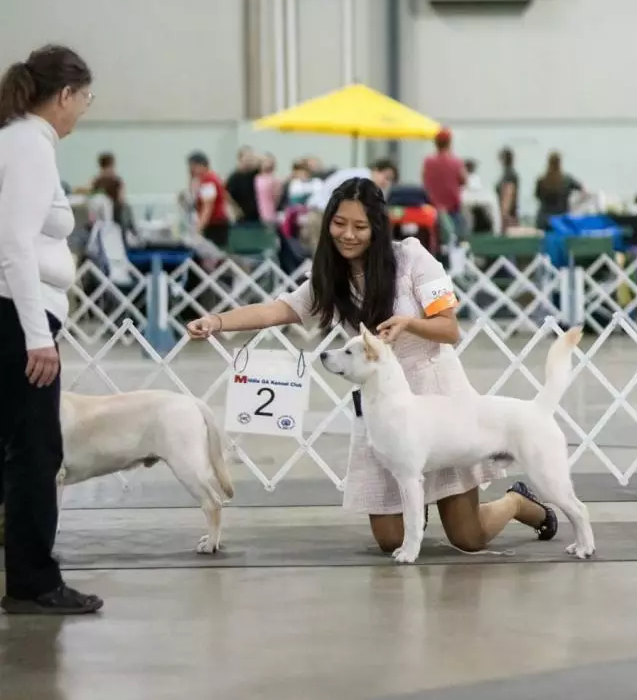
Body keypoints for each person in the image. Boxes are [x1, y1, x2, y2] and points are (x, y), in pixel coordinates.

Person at [187, 177, 556, 555]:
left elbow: (450, 330)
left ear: (377, 227)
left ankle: (516, 501)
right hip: (382, 411)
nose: (348, 234)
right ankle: (416, 511)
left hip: (438, 400)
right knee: (390, 540)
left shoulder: (412, 258)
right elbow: (279, 309)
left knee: (469, 537)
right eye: (339, 223)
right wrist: (217, 321)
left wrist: (409, 323)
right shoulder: (330, 277)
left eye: (360, 226)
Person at [0, 45, 103, 614]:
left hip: (14, 313)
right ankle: (34, 580)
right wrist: (37, 335)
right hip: (19, 319)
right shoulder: (30, 146)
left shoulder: (15, 139)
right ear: (64, 94)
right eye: (84, 99)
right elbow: (12, 244)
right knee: (36, 451)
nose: (83, 111)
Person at [305, 160, 397, 254]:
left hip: (324, 211)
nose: (387, 182)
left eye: (390, 180)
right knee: (323, 253)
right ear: (376, 170)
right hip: (320, 212)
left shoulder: (370, 184)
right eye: (386, 177)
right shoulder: (362, 180)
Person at [422, 128, 468, 238]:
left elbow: (424, 181)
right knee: (458, 240)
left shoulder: (428, 162)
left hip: (433, 209)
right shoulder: (456, 162)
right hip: (452, 209)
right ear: (449, 143)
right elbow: (464, 180)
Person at [535, 152, 590, 230]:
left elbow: (537, 197)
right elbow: (584, 192)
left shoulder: (541, 180)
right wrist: (575, 205)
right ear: (560, 163)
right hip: (561, 222)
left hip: (543, 220)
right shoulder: (567, 180)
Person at [187, 151, 230, 246]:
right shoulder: (207, 178)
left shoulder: (208, 181)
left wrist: (198, 230)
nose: (191, 170)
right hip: (214, 224)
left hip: (215, 226)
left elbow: (207, 208)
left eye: (192, 167)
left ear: (200, 165)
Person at [225, 147, 260, 223]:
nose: (249, 160)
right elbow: (226, 194)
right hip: (243, 217)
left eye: (251, 157)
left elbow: (265, 161)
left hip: (257, 215)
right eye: (247, 157)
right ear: (240, 159)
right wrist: (236, 209)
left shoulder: (255, 173)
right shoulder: (234, 177)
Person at [254, 153, 283, 225]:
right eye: (264, 161)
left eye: (269, 162)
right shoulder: (256, 178)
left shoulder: (275, 180)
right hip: (255, 210)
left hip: (269, 210)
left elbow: (277, 198)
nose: (267, 164)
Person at [496, 147, 520, 231]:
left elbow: (508, 195)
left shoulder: (508, 175)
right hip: (512, 214)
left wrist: (504, 216)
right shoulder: (510, 173)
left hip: (509, 217)